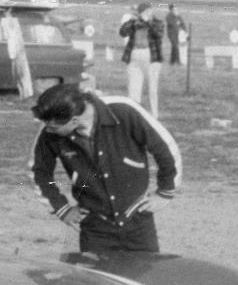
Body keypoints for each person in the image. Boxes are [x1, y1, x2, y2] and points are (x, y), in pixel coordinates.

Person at [29, 83, 181, 253]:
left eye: (53, 128)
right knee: (95, 279)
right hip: (95, 227)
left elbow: (165, 148)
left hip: (138, 221)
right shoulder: (49, 130)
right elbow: (39, 173)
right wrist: (61, 208)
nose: (48, 131)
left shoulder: (124, 110)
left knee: (144, 276)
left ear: (74, 121)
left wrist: (166, 191)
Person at [119, 1, 164, 118]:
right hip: (134, 56)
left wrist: (147, 22)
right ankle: (134, 115)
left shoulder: (157, 23)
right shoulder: (134, 22)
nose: (147, 13)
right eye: (144, 12)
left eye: (149, 11)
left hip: (151, 57)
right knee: (134, 89)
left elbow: (158, 35)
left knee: (152, 88)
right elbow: (123, 32)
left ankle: (154, 115)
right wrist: (134, 20)